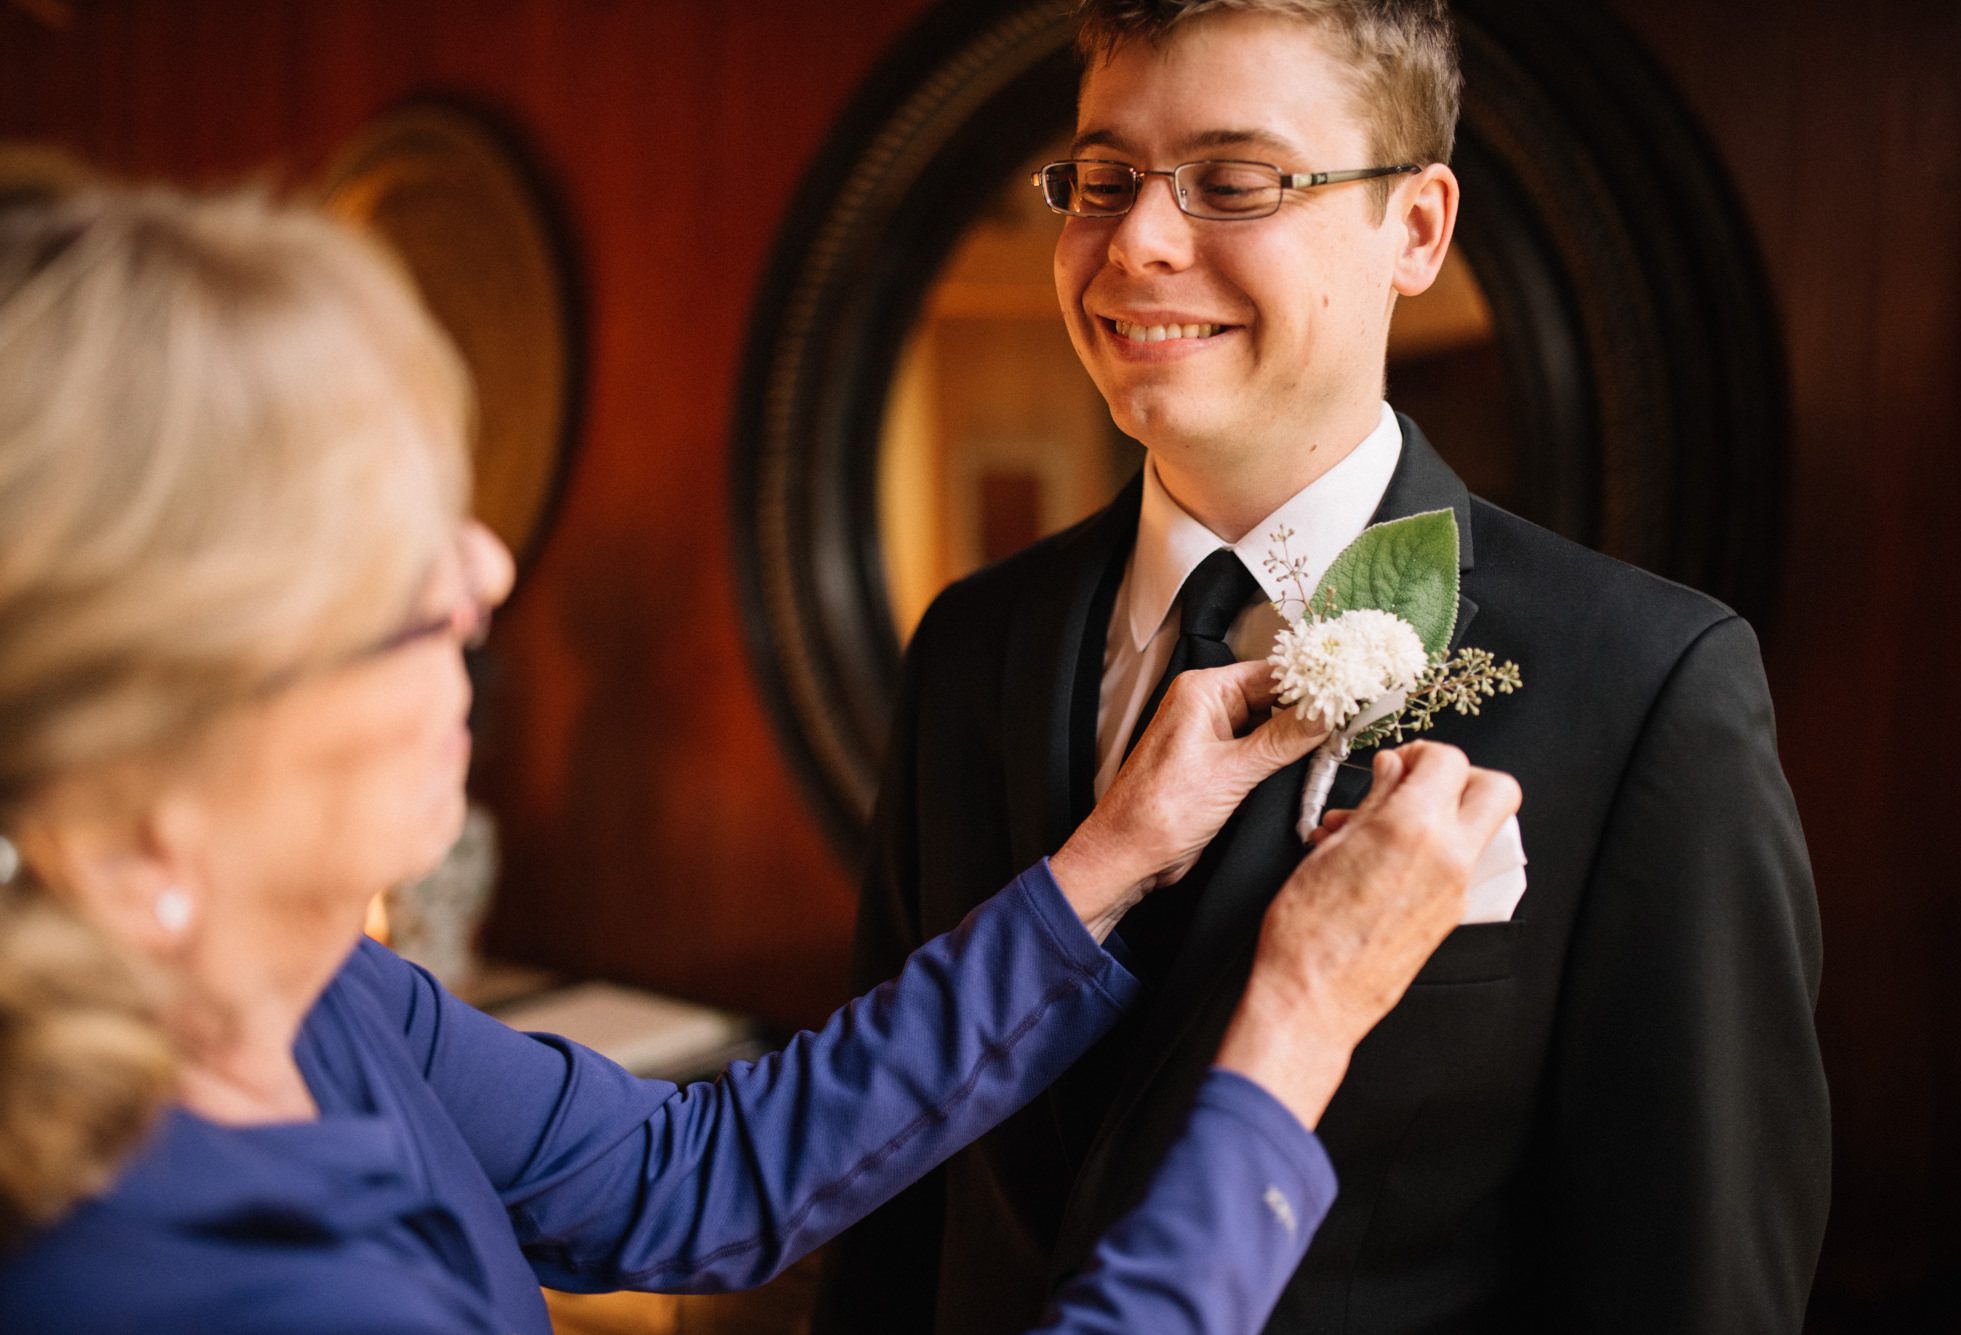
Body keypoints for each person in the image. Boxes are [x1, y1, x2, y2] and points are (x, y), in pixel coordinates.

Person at [0, 185, 1519, 1333]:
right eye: (383, 578)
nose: (483, 573)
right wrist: (1295, 1028)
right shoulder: (189, 1287)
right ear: (140, 820)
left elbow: (686, 1178)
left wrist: (1106, 860)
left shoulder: (313, 994)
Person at [818, 2, 1832, 1331]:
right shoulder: (971, 644)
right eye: (1105, 178)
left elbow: (1694, 1288)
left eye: (1235, 181)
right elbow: (886, 1212)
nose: (1137, 241)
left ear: (1416, 229)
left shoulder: (1648, 690)